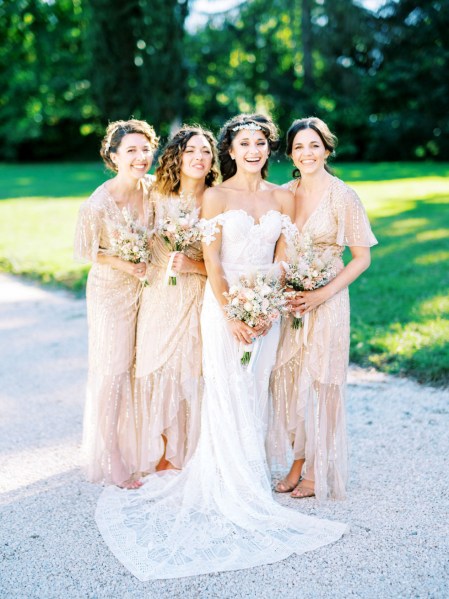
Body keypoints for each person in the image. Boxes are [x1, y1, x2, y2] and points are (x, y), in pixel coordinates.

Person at [95, 114, 347, 581]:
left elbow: (283, 255)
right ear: (229, 151)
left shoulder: (283, 197)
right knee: (228, 389)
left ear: (268, 149)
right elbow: (212, 261)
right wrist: (233, 312)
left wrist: (267, 304)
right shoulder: (214, 195)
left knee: (255, 390)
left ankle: (249, 476)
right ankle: (232, 484)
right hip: (224, 308)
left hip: (265, 309)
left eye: (259, 142)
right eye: (242, 143)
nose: (251, 149)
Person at [271, 117, 377, 500]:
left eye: (314, 145)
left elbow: (360, 258)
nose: (307, 153)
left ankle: (317, 467)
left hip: (328, 300)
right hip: (290, 302)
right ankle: (297, 460)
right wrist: (284, 292)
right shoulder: (283, 193)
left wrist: (320, 294)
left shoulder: (342, 195)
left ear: (327, 149)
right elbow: (278, 249)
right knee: (287, 381)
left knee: (322, 383)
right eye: (299, 147)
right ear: (291, 154)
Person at [74, 119, 159, 489]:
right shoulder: (98, 203)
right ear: (113, 156)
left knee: (141, 366)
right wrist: (124, 262)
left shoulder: (155, 190)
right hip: (111, 291)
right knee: (113, 369)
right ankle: (111, 454)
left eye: (145, 149)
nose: (141, 158)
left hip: (150, 288)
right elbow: (85, 252)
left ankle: (138, 447)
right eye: (131, 151)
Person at [134, 125, 219, 475]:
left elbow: (224, 262)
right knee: (161, 367)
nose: (199, 158)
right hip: (159, 293)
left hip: (198, 294)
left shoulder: (218, 198)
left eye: (205, 151)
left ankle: (191, 451)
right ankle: (166, 447)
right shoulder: (156, 194)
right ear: (177, 156)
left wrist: (193, 264)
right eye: (191, 151)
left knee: (191, 370)